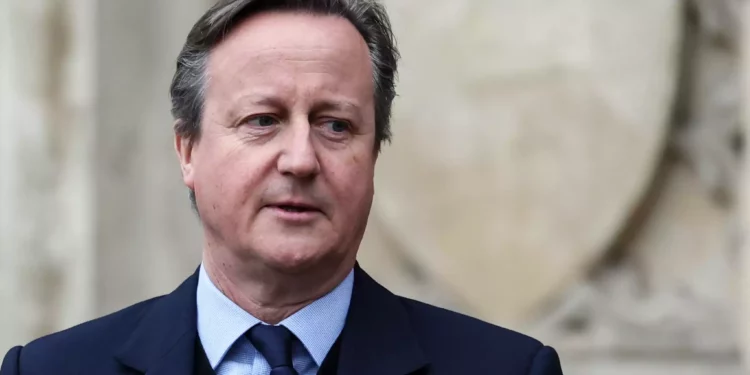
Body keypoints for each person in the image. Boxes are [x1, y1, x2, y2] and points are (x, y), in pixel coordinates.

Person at [0, 0, 564, 374]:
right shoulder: (49, 371)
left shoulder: (508, 370)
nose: (300, 160)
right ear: (188, 150)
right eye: (262, 120)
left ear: (373, 155)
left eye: (335, 125)